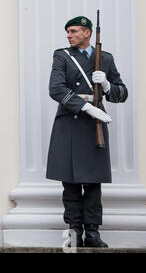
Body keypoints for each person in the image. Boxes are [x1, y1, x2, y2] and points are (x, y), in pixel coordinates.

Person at [46, 16, 128, 248]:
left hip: (95, 126)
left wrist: (107, 85)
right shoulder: (62, 55)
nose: (68, 35)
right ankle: (73, 233)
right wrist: (87, 107)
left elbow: (122, 94)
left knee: (93, 184)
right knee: (70, 184)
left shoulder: (106, 59)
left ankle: (92, 232)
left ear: (87, 33)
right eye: (68, 32)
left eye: (73, 31)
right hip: (71, 123)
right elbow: (56, 88)